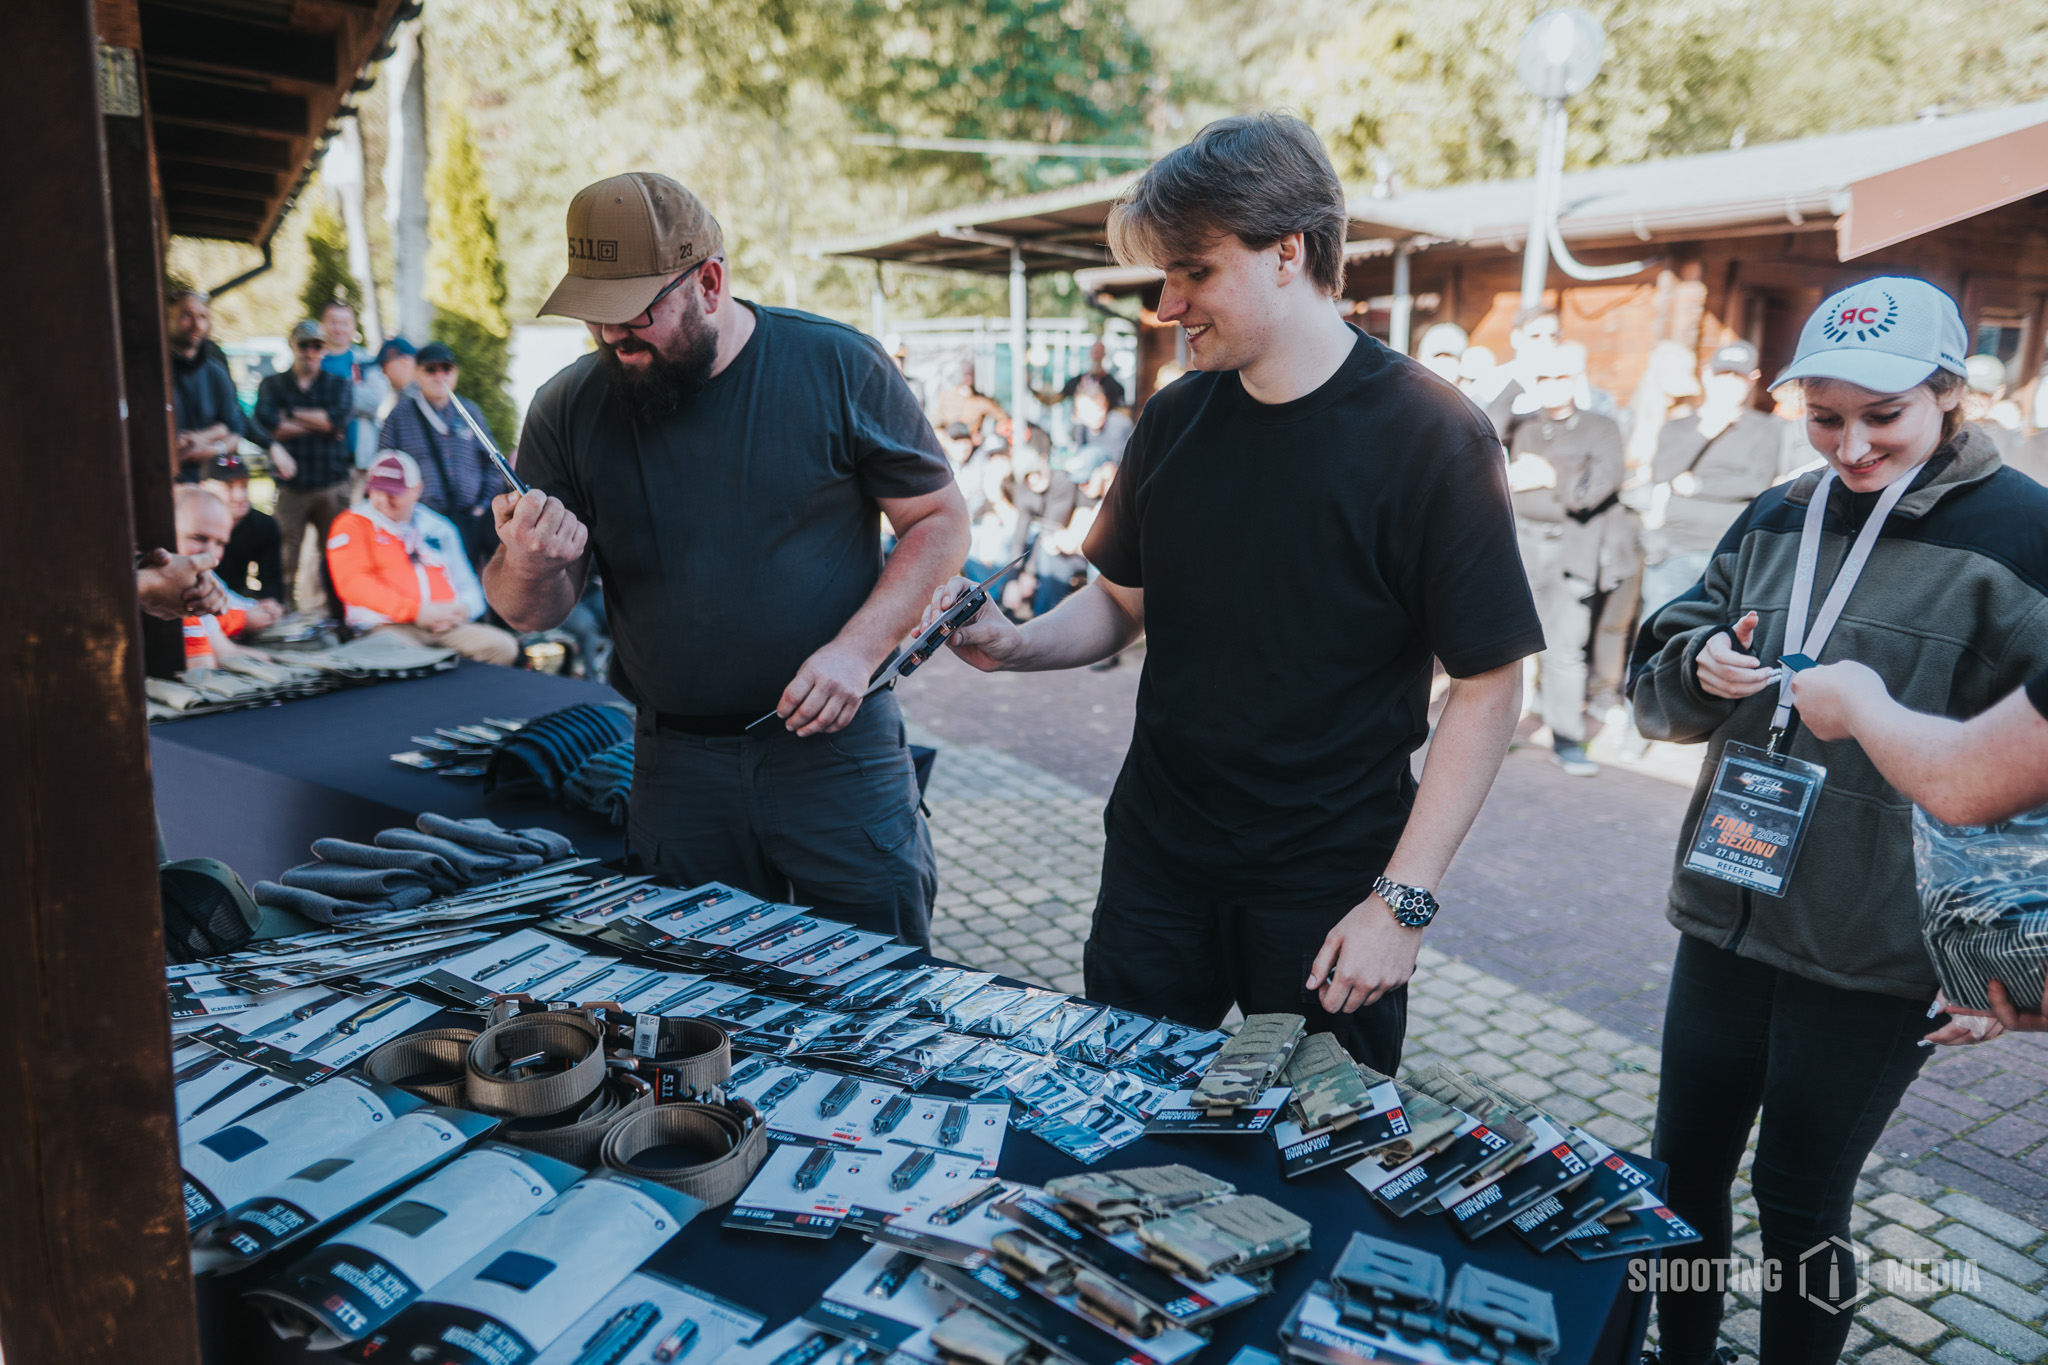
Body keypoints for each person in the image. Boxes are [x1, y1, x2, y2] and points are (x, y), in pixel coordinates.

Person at [924, 114, 1537, 1073]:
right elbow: (1123, 600)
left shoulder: (1433, 434)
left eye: (1193, 272)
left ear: (1287, 251)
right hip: (1156, 865)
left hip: (1330, 885)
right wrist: (1013, 643)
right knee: (1120, 1127)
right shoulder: (1174, 417)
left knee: (1315, 1157)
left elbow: (1491, 683)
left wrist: (1402, 902)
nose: (1167, 304)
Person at [1628, 276, 2048, 1364]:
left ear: (1949, 395)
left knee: (1798, 1198)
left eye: (1882, 416)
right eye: (1823, 417)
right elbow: (1656, 669)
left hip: (1875, 949)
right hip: (1727, 905)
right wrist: (1698, 665)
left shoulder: (2025, 535)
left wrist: (2002, 969)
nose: (1850, 446)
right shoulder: (1776, 509)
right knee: (1677, 1174)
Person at [489, 171, 969, 946]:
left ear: (709, 281)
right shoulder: (567, 406)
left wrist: (858, 650)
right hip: (676, 767)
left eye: (636, 312)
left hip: (836, 752)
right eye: (595, 317)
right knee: (695, 1016)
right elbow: (525, 610)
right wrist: (531, 560)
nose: (613, 337)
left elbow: (939, 520)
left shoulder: (837, 365)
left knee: (877, 1006)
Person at [1507, 340, 1625, 776]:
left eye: (1560, 376)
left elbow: (1597, 489)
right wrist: (1519, 372)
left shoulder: (1601, 427)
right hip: (1518, 545)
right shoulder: (1524, 424)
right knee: (1506, 646)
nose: (1551, 386)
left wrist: (1548, 474)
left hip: (1572, 550)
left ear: (1576, 379)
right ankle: (1496, 732)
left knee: (1564, 649)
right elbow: (1479, 420)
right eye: (1543, 377)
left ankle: (1566, 738)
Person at [326, 452, 518, 666]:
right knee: (399, 655)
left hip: (448, 627)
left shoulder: (439, 526)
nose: (382, 499)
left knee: (503, 647)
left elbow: (468, 584)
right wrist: (416, 612)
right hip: (387, 628)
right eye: (377, 490)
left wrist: (462, 609)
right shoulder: (352, 523)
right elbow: (353, 584)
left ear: (416, 489)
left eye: (393, 492)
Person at [1640, 340, 1787, 615]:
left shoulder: (1767, 428)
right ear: (1707, 375)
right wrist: (1706, 431)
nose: (1728, 384)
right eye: (1722, 376)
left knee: (1716, 638)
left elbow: (1756, 483)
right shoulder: (1678, 427)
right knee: (1657, 637)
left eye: (1737, 377)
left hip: (1730, 552)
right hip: (1673, 549)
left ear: (1752, 380)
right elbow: (1662, 471)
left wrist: (1697, 485)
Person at [251, 319, 353, 611]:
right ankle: (283, 616)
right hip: (291, 486)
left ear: (325, 349)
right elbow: (268, 424)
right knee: (284, 557)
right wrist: (320, 424)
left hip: (331, 483)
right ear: (293, 346)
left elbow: (337, 421)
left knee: (337, 555)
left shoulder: (338, 384)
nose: (311, 351)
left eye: (317, 345)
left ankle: (339, 617)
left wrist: (291, 414)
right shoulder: (272, 384)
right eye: (305, 345)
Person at [377, 340, 499, 568]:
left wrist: (483, 506)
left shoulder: (470, 411)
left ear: (455, 372)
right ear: (417, 373)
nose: (439, 375)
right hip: (423, 522)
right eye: (431, 369)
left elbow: (493, 462)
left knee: (475, 587)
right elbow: (385, 468)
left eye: (446, 369)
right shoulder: (399, 416)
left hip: (471, 519)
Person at [167, 289, 246, 482]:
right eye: (186, 315)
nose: (196, 324)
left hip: (211, 484)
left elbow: (235, 433)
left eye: (202, 317)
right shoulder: (153, 373)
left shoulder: (216, 373)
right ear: (168, 318)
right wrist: (216, 432)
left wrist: (207, 446)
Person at [198, 454, 283, 621]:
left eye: (244, 486)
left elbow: (272, 580)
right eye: (229, 486)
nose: (240, 495)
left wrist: (271, 604)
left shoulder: (263, 525)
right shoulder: (190, 526)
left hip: (239, 603)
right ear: (204, 487)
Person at [318, 299, 383, 473]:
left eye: (344, 323)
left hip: (358, 457)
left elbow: (374, 401)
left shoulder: (366, 361)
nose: (338, 328)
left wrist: (328, 395)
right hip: (318, 457)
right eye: (333, 322)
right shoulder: (312, 360)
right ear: (323, 324)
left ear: (353, 326)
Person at [1036, 339, 1127, 420]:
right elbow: (1052, 400)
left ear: (1104, 354)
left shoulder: (1114, 386)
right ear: (1090, 353)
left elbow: (1123, 412)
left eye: (1099, 351)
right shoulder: (1077, 381)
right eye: (1095, 351)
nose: (1097, 354)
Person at [928, 359, 1007, 439]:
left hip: (970, 441)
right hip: (948, 439)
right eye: (965, 375)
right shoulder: (946, 396)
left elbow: (1001, 416)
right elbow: (935, 421)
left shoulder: (980, 402)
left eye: (970, 375)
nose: (967, 378)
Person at [1961, 353, 2021, 457]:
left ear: (1998, 393)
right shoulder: (1937, 427)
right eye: (1967, 391)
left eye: (1982, 393)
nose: (1971, 398)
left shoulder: (2002, 440)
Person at [374, 337, 417, 422]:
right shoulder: (406, 392)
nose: (383, 372)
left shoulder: (421, 395)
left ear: (403, 361)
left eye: (384, 366)